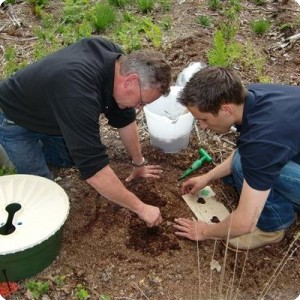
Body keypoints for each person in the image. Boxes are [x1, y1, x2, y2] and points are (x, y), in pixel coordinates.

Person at [0, 37, 172, 227]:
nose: (139, 108)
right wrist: (141, 208)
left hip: (55, 114)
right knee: (42, 189)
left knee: (69, 159)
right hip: (15, 119)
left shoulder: (117, 63)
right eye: (141, 102)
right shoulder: (78, 93)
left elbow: (125, 118)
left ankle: (37, 147)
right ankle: (11, 150)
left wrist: (138, 163)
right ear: (131, 81)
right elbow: (94, 169)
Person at [173, 66, 300, 250]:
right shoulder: (255, 94)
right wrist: (208, 177)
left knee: (246, 164)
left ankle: (271, 228)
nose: (202, 126)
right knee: (246, 159)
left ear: (226, 109)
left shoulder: (263, 141)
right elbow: (248, 148)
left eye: (204, 119)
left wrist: (204, 231)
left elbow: (244, 222)